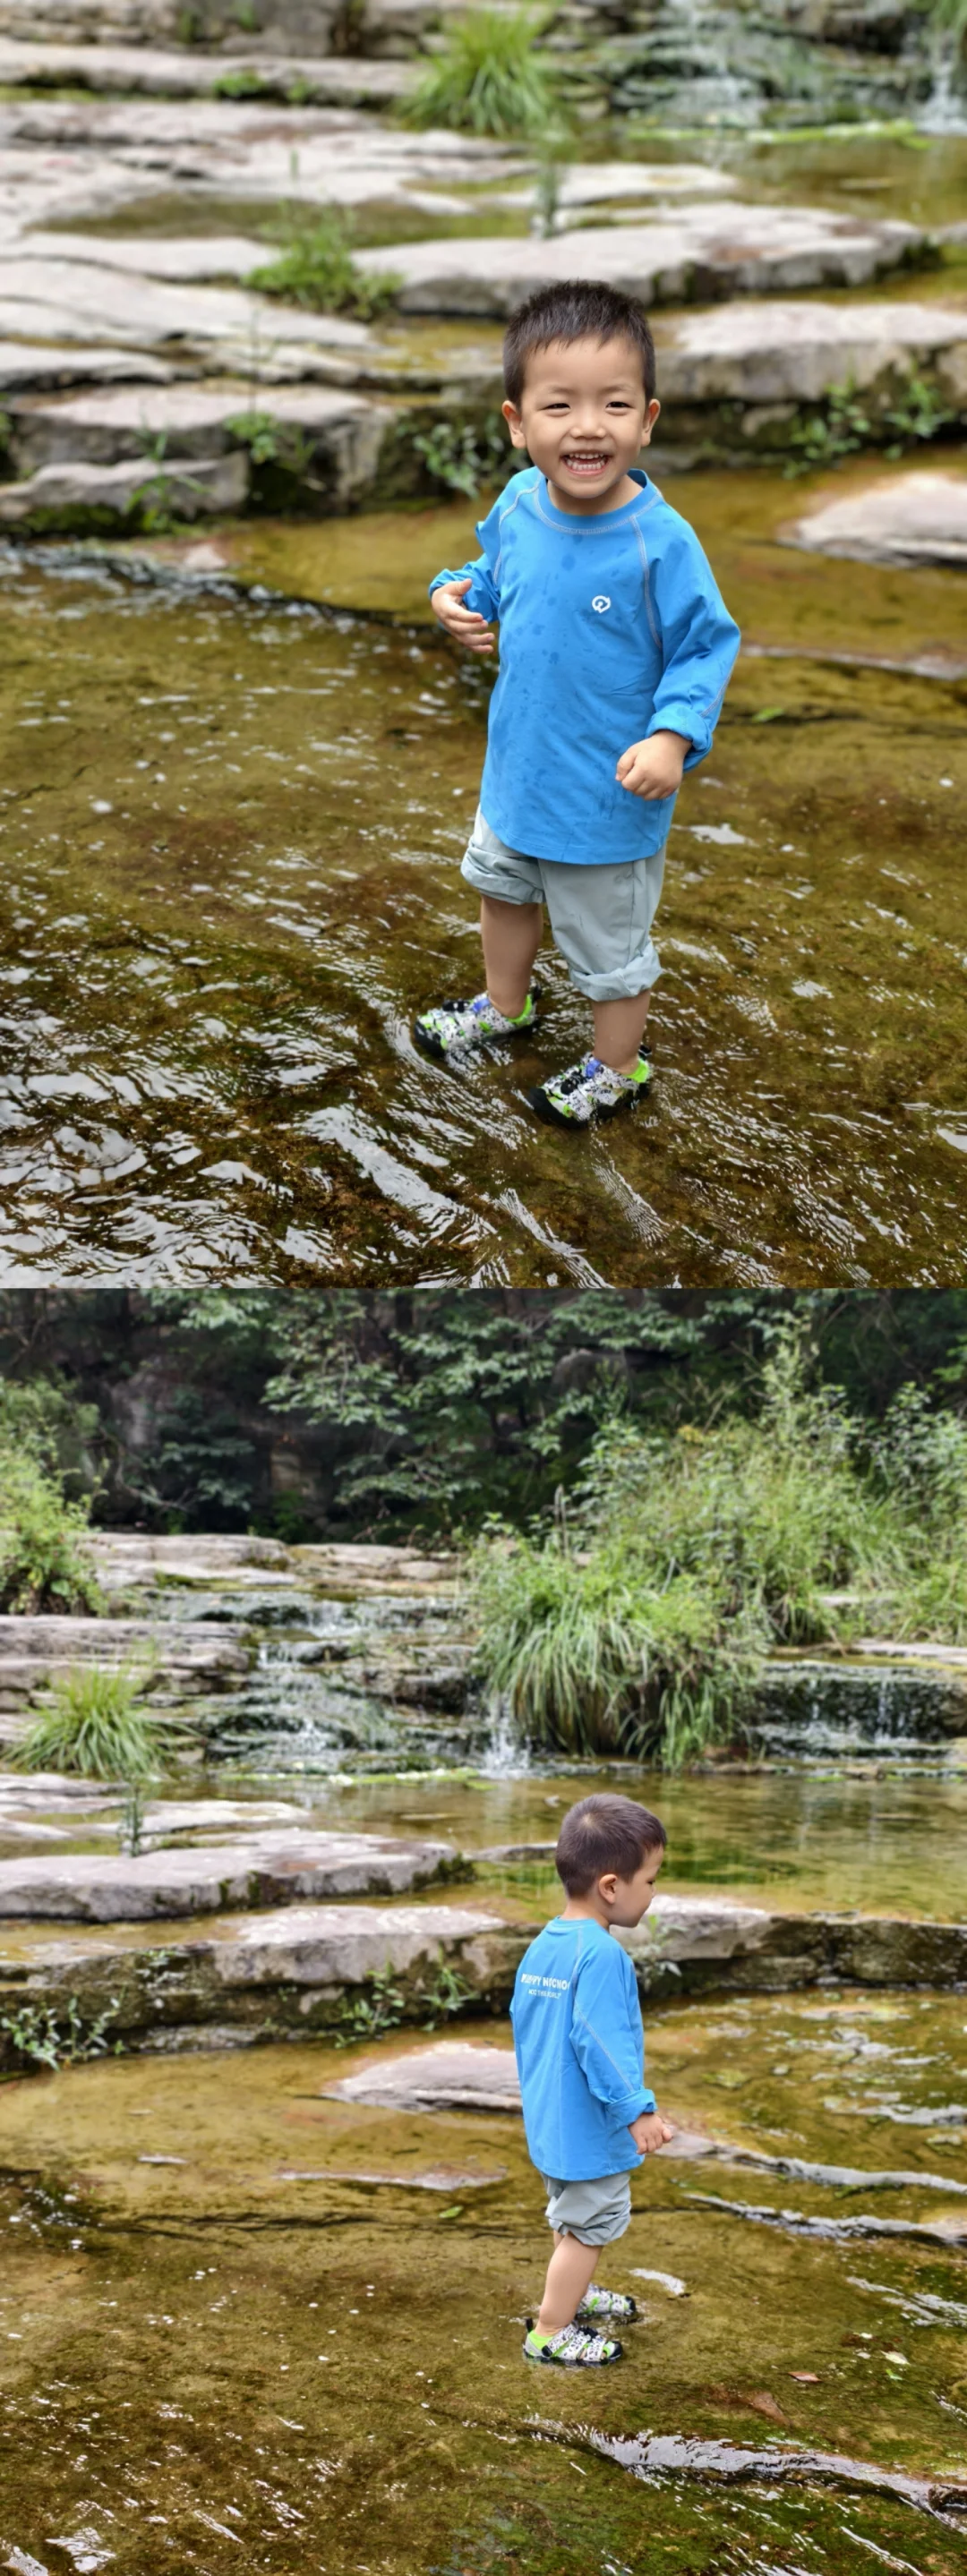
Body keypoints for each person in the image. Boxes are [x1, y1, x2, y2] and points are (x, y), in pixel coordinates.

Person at [412, 277, 740, 1130]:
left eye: (614, 404)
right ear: (518, 423)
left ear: (648, 420)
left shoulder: (658, 542)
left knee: (608, 949)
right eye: (559, 405)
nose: (588, 426)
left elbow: (706, 646)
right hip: (518, 775)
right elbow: (488, 575)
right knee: (502, 893)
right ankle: (505, 1006)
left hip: (606, 799)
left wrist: (673, 737)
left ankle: (617, 1066)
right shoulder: (520, 504)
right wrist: (452, 595)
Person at [510, 1791, 673, 2367]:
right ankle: (551, 2330)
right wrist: (638, 2109)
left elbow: (529, 2027)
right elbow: (599, 2044)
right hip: (588, 2126)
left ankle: (571, 2293)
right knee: (591, 2225)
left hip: (553, 2120)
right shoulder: (602, 1956)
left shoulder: (545, 1944)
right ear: (611, 1886)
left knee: (573, 2214)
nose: (653, 1892)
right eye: (650, 1880)